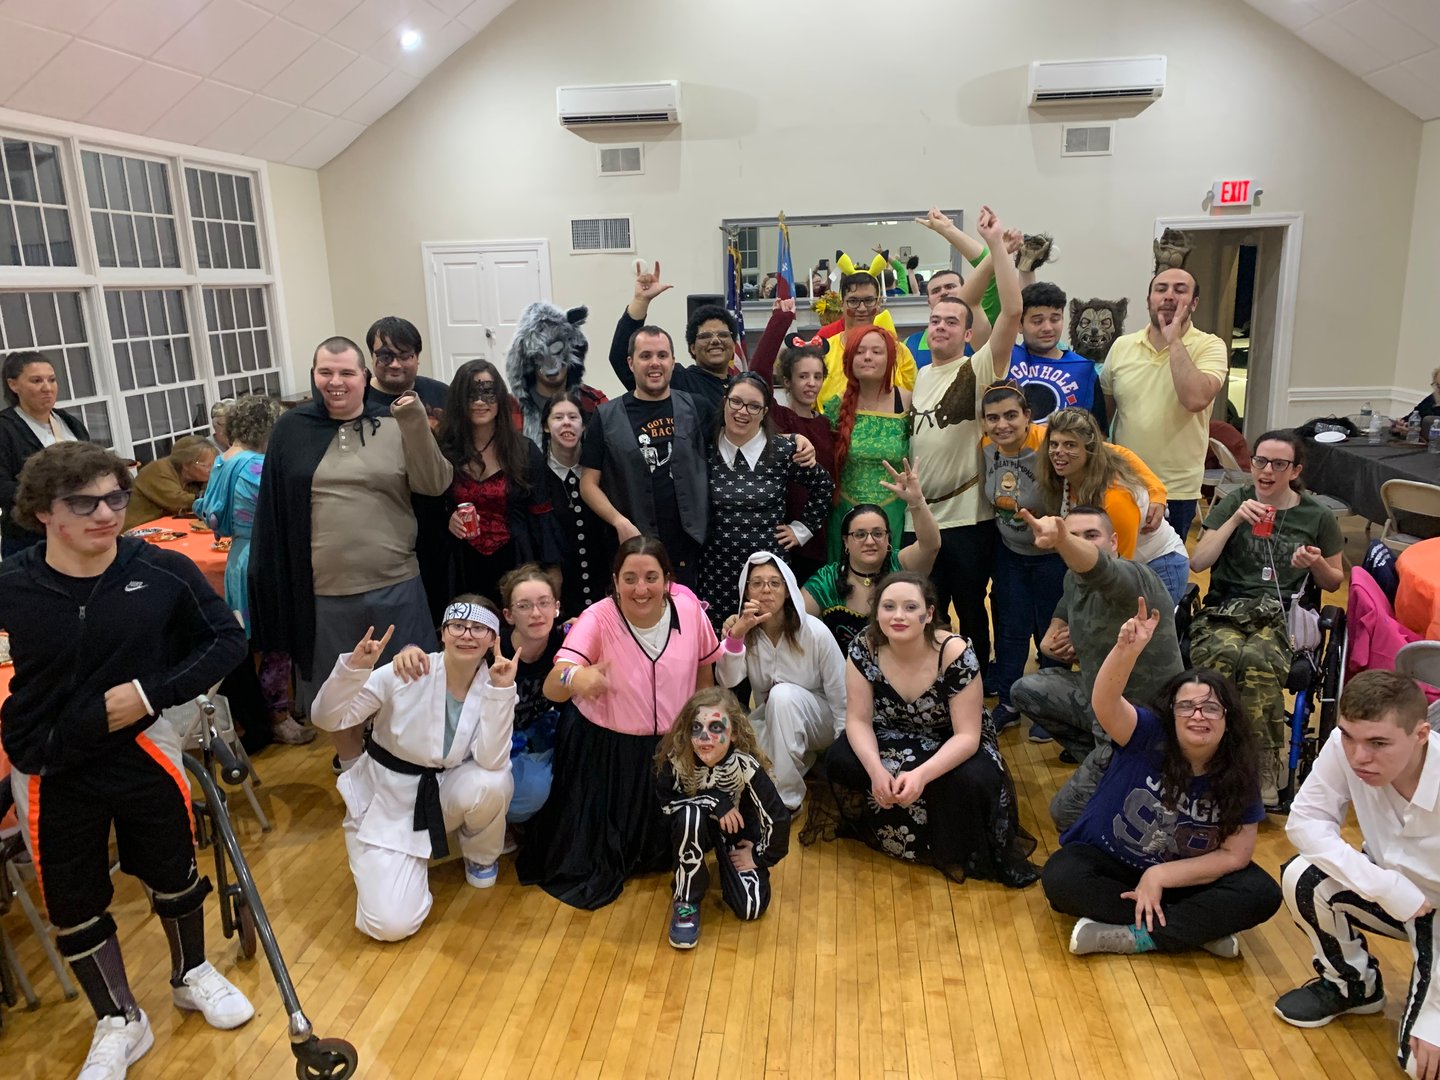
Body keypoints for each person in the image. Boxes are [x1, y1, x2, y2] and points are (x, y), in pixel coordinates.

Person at [0, 442, 253, 1078]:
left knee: (173, 869)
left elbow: (226, 640)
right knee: (74, 900)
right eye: (82, 503)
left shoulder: (161, 570)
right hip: (50, 762)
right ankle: (119, 1018)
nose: (106, 513)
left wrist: (150, 693)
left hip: (140, 746)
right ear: (42, 514)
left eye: (115, 496)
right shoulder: (14, 584)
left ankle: (191, 973)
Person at [248, 337, 453, 769]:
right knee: (337, 692)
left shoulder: (396, 422)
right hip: (324, 592)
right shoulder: (292, 429)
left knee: (411, 684)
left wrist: (415, 421)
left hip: (396, 582)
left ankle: (408, 767)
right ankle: (353, 770)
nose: (335, 382)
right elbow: (274, 513)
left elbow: (435, 484)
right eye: (326, 372)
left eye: (346, 373)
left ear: (365, 377)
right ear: (314, 376)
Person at [1042, 598, 1281, 956]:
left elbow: (1235, 855)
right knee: (1061, 877)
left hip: (1184, 878)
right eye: (1186, 706)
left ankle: (1133, 936)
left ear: (1228, 719)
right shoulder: (1148, 733)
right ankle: (1194, 930)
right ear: (1171, 714)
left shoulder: (1239, 768)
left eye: (1211, 707)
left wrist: (1159, 877)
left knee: (1262, 893)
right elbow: (1105, 702)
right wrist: (1126, 650)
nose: (1198, 715)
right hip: (1115, 866)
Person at [516, 537, 721, 909]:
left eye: (650, 577)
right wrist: (575, 679)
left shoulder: (690, 610)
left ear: (667, 579)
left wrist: (702, 728)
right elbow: (553, 682)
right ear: (614, 580)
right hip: (608, 753)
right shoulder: (598, 616)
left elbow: (705, 672)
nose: (640, 589)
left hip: (670, 748)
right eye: (629, 578)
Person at [309, 599, 517, 942]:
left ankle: (479, 856)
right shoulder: (405, 671)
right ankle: (401, 863)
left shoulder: (494, 683)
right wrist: (355, 669)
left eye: (479, 628)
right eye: (458, 627)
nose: (467, 635)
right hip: (387, 800)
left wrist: (501, 691)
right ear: (443, 633)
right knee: (390, 926)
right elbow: (327, 718)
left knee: (493, 781)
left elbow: (492, 761)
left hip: (443, 791)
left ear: (493, 639)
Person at [822, 571, 1039, 886]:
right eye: (889, 607)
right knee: (841, 756)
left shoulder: (954, 652)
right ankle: (881, 829)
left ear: (929, 614)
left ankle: (954, 844)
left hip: (949, 738)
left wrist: (921, 774)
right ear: (876, 612)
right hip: (892, 732)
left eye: (910, 607)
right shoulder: (863, 646)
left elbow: (967, 736)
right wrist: (875, 771)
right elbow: (857, 720)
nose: (898, 616)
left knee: (976, 775)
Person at [1274, 671, 1440, 1079]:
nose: (1357, 756)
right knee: (1303, 876)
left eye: (1378, 743)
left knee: (1421, 1067)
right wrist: (1386, 886)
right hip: (1394, 896)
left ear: (1421, 734)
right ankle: (1353, 985)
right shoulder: (1344, 746)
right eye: (1348, 736)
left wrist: (1435, 1014)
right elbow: (1304, 822)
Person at [1188, 429, 1345, 805]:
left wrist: (1316, 562)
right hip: (1227, 608)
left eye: (1279, 464)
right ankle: (1209, 761)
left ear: (1295, 470)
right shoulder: (1234, 502)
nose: (1267, 470)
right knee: (1220, 661)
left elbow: (1334, 578)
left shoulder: (1317, 516)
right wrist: (1233, 521)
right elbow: (1198, 561)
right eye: (1260, 461)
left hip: (1281, 614)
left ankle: (1260, 770)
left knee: (1258, 662)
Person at [1012, 507, 1185, 830]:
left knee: (1065, 814)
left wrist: (1062, 538)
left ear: (1114, 541)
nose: (1082, 544)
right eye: (1074, 535)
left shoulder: (1133, 578)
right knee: (1026, 690)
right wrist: (1056, 630)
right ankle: (1108, 764)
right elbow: (1069, 602)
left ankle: (1131, 769)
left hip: (1144, 724)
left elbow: (1100, 570)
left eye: (1092, 536)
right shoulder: (1072, 578)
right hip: (1102, 707)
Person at [906, 205, 1021, 668]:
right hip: (921, 519)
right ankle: (936, 677)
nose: (941, 326)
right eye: (935, 321)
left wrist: (995, 245)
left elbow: (1011, 310)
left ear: (968, 332)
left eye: (952, 322)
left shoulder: (977, 368)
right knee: (926, 611)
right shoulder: (914, 376)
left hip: (966, 518)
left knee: (972, 608)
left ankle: (981, 679)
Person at [192, 394, 311, 746]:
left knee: (255, 638)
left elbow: (207, 511)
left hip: (239, 557)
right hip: (265, 557)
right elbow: (285, 511)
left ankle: (274, 710)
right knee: (276, 642)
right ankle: (279, 717)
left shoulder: (223, 461)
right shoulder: (256, 467)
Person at [655, 687, 791, 949]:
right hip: (692, 831)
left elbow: (778, 818)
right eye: (696, 728)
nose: (704, 737)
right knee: (690, 815)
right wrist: (714, 800)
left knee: (751, 908)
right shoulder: (677, 762)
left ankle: (731, 874)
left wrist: (760, 855)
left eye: (716, 727)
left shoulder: (746, 767)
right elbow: (664, 807)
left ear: (734, 732)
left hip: (736, 839)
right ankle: (687, 900)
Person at [1101, 267, 1229, 541]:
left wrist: (1174, 339)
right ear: (1149, 300)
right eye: (1161, 289)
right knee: (1118, 570)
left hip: (1176, 489)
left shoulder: (1210, 346)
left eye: (1180, 290)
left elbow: (1195, 399)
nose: (1169, 296)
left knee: (1163, 576)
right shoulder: (1122, 346)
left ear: (1193, 303)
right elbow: (1103, 417)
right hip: (1124, 481)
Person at [699, 372, 833, 632]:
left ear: (764, 412)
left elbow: (824, 486)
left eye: (753, 406)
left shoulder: (783, 451)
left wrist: (800, 530)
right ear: (725, 402)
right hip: (715, 573)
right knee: (723, 650)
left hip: (767, 575)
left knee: (769, 643)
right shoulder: (704, 449)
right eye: (735, 402)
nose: (742, 411)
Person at [580, 324, 709, 589]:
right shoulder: (606, 416)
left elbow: (742, 430)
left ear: (673, 361)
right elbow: (588, 484)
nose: (655, 363)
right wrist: (619, 522)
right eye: (645, 356)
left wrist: (793, 439)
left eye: (662, 355)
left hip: (690, 546)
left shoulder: (697, 407)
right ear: (630, 363)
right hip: (634, 545)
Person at [717, 553, 846, 811]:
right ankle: (797, 762)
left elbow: (841, 695)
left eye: (775, 583)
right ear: (746, 591)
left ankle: (786, 800)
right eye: (757, 583)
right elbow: (727, 679)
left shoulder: (814, 631)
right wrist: (737, 635)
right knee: (731, 757)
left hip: (823, 720)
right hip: (772, 717)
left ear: (787, 591)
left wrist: (844, 751)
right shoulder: (746, 631)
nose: (766, 590)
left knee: (782, 696)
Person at [980, 382, 1068, 735]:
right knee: (1011, 628)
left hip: (1050, 556)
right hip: (1010, 552)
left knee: (1051, 629)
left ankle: (1051, 708)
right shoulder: (986, 447)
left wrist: (1154, 492)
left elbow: (1117, 457)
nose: (1002, 424)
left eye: (1011, 415)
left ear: (1028, 416)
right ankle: (1010, 701)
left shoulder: (1050, 444)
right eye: (993, 418)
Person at [437, 360, 563, 602]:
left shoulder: (523, 451)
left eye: (488, 393)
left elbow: (542, 515)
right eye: (471, 394)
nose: (480, 401)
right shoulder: (443, 451)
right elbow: (429, 509)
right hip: (461, 566)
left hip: (517, 562)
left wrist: (551, 571)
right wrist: (448, 519)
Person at [1037, 407, 1183, 597]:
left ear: (1089, 450)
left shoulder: (1115, 496)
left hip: (1156, 568)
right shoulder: (1068, 478)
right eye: (1054, 444)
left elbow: (1120, 568)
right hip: (1110, 569)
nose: (1058, 451)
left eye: (1070, 445)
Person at [803, 459, 940, 652]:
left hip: (901, 671)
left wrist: (917, 502)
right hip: (842, 676)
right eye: (860, 534)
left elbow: (930, 545)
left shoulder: (901, 565)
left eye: (877, 534)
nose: (869, 541)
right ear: (845, 542)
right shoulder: (827, 580)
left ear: (888, 538)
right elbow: (793, 621)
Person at [746, 300, 839, 579]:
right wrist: (781, 319)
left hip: (816, 536)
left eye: (817, 376)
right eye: (803, 376)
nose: (811, 383)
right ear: (787, 381)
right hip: (779, 537)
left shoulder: (826, 425)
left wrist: (808, 528)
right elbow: (758, 370)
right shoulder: (776, 417)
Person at [607, 262, 735, 424]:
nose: (715, 341)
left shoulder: (742, 386)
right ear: (692, 348)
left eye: (723, 334)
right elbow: (620, 357)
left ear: (733, 345)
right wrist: (641, 301)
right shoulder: (678, 380)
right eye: (705, 336)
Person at [825, 325, 911, 556]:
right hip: (844, 515)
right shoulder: (835, 406)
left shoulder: (909, 402)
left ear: (890, 358)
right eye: (860, 351)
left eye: (876, 351)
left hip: (892, 514)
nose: (868, 357)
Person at [0, 349, 92, 557]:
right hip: (31, 537)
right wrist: (53, 496)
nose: (47, 388)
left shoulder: (68, 422)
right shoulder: (5, 429)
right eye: (36, 381)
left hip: (81, 526)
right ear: (13, 385)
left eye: (51, 380)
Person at [539, 390, 608, 615]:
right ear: (546, 426)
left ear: (584, 425)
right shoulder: (535, 473)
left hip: (602, 583)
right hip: (560, 589)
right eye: (558, 418)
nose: (566, 424)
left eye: (573, 417)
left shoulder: (599, 471)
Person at [504, 301, 605, 443]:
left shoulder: (594, 402)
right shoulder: (508, 409)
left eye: (556, 349)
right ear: (528, 359)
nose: (550, 364)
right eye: (539, 355)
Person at [1009, 282, 1106, 425]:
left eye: (1055, 319)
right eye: (1037, 321)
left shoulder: (1084, 370)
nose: (1047, 328)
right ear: (1019, 325)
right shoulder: (1006, 358)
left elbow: (1099, 433)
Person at [816, 270, 920, 404]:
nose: (862, 308)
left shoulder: (900, 353)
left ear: (878, 303)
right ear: (842, 304)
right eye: (853, 301)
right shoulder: (824, 352)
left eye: (869, 300)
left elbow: (912, 404)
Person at [123, 435, 217, 529]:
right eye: (207, 465)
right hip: (137, 528)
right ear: (186, 465)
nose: (212, 469)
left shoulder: (193, 478)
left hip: (163, 526)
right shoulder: (158, 470)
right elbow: (178, 500)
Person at [364, 316, 448, 414]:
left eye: (404, 356)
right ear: (372, 357)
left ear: (417, 357)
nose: (395, 365)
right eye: (385, 357)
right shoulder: (357, 400)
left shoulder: (442, 395)